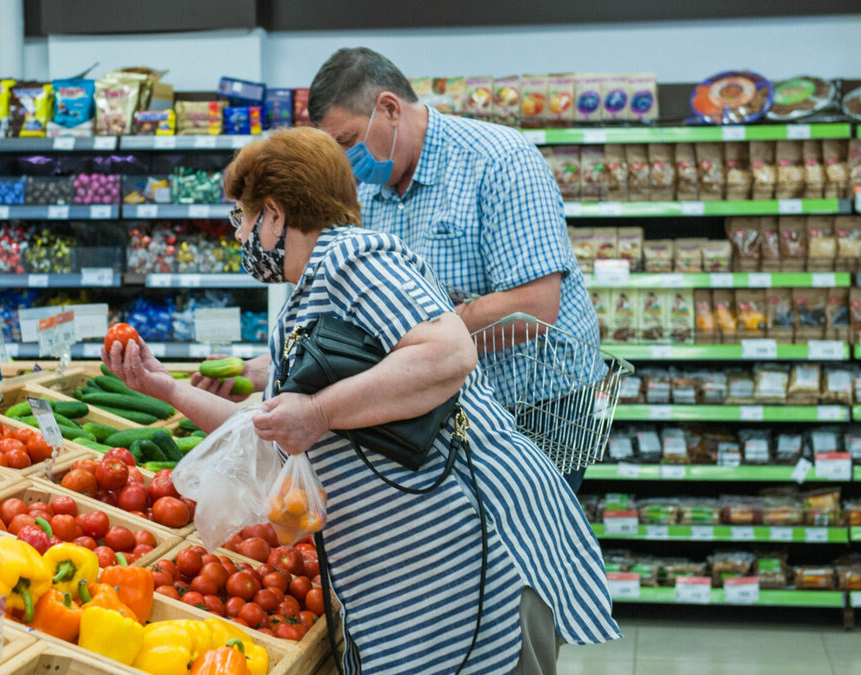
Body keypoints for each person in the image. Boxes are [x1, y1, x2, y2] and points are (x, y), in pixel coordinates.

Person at [104, 128, 619, 675]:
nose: (240, 236)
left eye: (242, 218)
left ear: (275, 215)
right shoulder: (308, 296)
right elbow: (271, 426)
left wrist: (320, 411)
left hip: (471, 555)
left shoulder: (353, 256)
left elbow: (448, 353)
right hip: (420, 567)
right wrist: (166, 389)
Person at [194, 48, 603, 493]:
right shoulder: (364, 192)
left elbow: (534, 307)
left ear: (389, 108)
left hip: (540, 403)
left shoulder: (500, 160)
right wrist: (269, 368)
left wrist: (424, 334)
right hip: (444, 404)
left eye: (348, 141)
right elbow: (357, 318)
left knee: (527, 532)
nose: (345, 159)